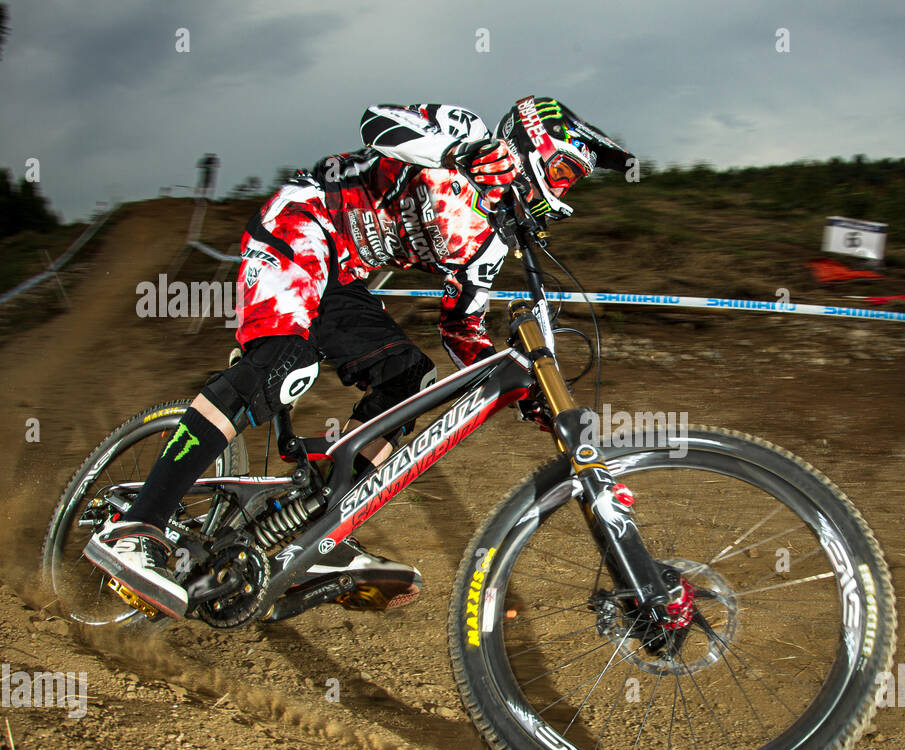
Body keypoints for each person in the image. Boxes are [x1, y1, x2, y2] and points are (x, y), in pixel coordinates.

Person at [84, 96, 633, 619]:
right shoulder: (464, 130)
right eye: (564, 171)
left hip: (340, 280)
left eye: (574, 181)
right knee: (284, 365)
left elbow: (461, 328)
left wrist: (524, 391)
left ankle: (310, 528)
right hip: (298, 226)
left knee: (408, 379)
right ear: (529, 143)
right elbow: (378, 124)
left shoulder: (488, 244)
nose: (566, 189)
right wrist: (455, 153)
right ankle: (139, 527)